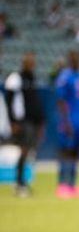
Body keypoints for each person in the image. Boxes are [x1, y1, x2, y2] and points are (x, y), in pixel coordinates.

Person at [3, 52, 45, 197]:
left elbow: (34, 101)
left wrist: (40, 121)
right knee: (23, 150)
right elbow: (9, 102)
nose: (32, 64)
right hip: (22, 121)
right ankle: (18, 182)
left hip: (32, 121)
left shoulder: (32, 78)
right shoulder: (16, 78)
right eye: (29, 61)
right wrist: (13, 122)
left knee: (28, 152)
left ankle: (22, 181)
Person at [55, 50, 79, 198]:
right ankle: (62, 184)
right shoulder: (64, 77)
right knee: (66, 151)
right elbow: (61, 100)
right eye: (74, 58)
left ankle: (72, 184)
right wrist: (66, 120)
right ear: (70, 60)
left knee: (77, 151)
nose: (77, 61)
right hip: (69, 120)